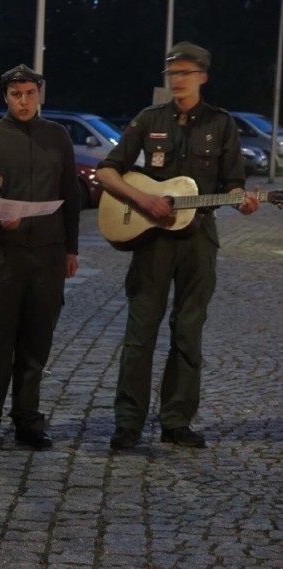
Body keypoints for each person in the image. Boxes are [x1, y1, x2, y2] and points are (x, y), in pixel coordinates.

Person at [96, 42, 260, 450]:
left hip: (199, 239)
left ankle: (176, 420)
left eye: (186, 72)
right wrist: (141, 199)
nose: (178, 79)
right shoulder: (148, 119)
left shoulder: (222, 125)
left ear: (202, 76)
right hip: (152, 242)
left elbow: (233, 186)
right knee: (140, 332)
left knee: (189, 333)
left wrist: (244, 202)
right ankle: (128, 423)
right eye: (173, 73)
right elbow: (107, 172)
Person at [0, 64, 80, 451]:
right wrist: (1, 212)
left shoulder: (57, 136)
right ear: (5, 97)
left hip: (48, 254)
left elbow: (70, 193)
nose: (24, 100)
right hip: (2, 253)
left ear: (40, 94)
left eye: (30, 93)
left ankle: (27, 420)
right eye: (16, 94)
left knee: (37, 342)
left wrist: (71, 249)